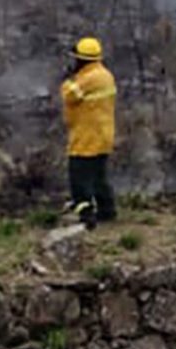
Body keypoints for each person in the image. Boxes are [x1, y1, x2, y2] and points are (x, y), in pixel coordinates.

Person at [60, 35, 118, 223]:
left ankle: (86, 213)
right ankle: (107, 210)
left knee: (79, 178)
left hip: (86, 137)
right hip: (103, 136)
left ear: (82, 59)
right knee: (99, 177)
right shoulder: (105, 75)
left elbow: (69, 95)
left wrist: (68, 80)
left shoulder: (88, 78)